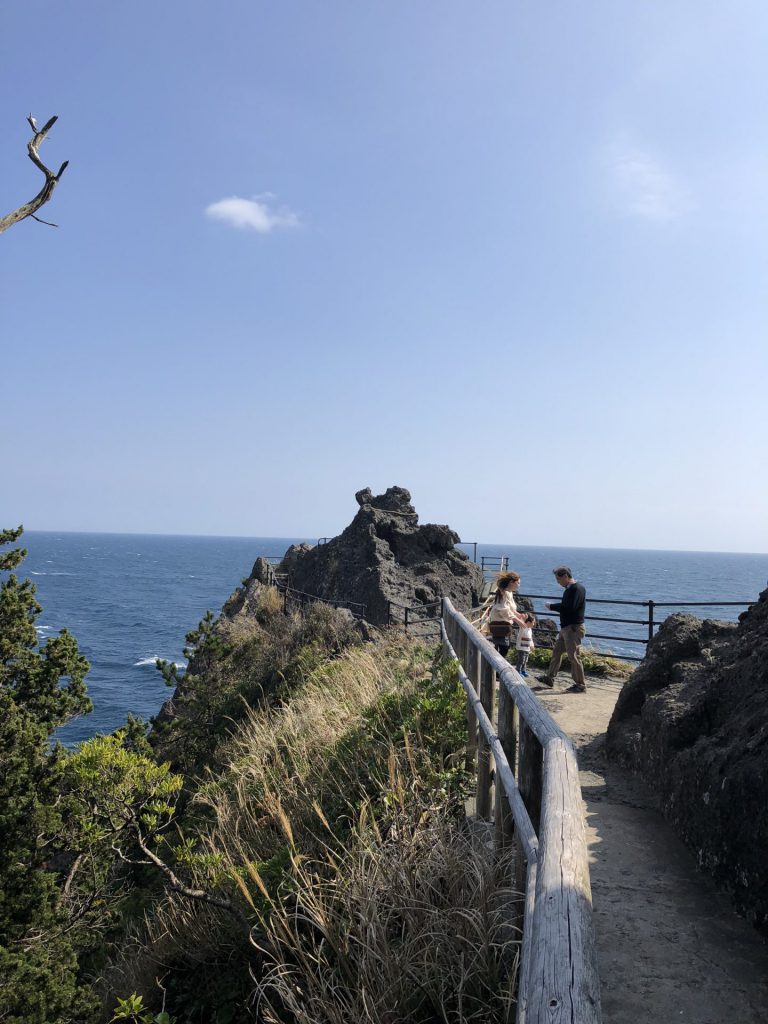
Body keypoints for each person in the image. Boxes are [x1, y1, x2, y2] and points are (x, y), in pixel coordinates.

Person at [539, 566, 587, 693]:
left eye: (558, 579)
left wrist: (552, 606)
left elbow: (569, 607)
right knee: (557, 652)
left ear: (565, 576)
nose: (557, 582)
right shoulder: (571, 589)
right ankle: (549, 678)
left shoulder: (576, 589)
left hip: (573, 628)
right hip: (567, 628)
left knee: (574, 656)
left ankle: (580, 685)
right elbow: (568, 606)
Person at [486, 570, 528, 658]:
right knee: (504, 647)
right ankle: (497, 669)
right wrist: (517, 620)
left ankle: (495, 669)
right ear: (512, 582)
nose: (519, 585)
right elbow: (504, 609)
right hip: (500, 623)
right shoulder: (503, 592)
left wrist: (518, 615)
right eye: (518, 583)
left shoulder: (509, 593)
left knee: (503, 647)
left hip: (503, 624)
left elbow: (510, 608)